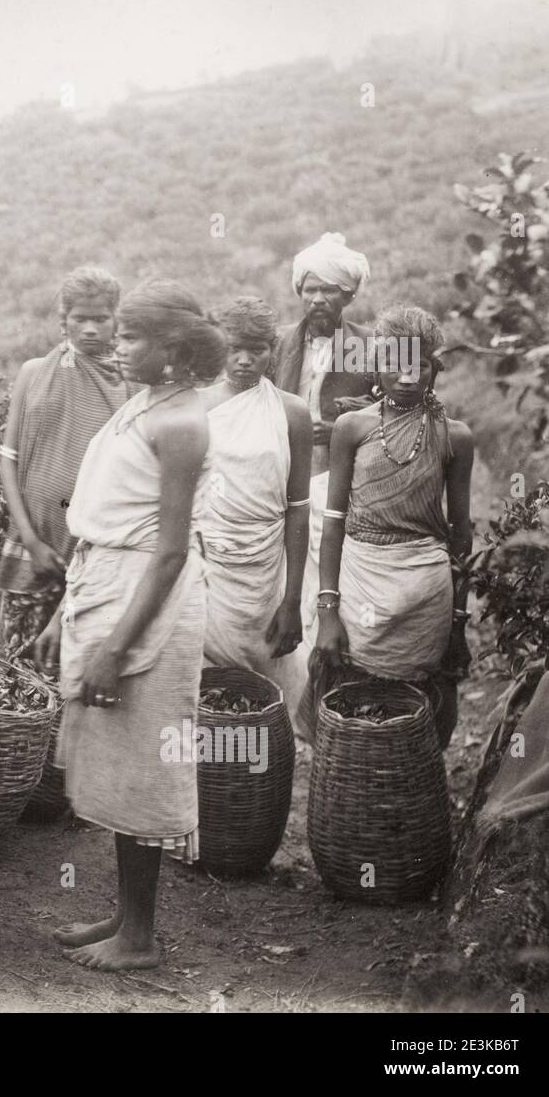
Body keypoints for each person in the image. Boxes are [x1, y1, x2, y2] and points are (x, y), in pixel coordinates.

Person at [35, 280, 224, 970]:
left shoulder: (182, 423)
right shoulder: (145, 404)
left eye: (131, 337)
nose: (117, 346)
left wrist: (116, 647)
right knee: (116, 761)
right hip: (109, 583)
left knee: (143, 764)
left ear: (173, 350)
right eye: (117, 335)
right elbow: (110, 520)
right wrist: (67, 609)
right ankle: (123, 913)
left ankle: (140, 936)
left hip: (150, 600)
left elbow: (170, 550)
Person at [313, 307, 474, 747]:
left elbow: (461, 533)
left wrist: (459, 622)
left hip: (426, 590)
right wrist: (327, 611)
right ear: (377, 368)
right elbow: (333, 523)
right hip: (361, 581)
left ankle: (411, 796)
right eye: (395, 365)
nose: (406, 378)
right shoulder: (351, 428)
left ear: (433, 370)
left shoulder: (454, 436)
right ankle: (350, 794)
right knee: (350, 700)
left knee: (417, 712)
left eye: (418, 366)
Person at [0, 267, 131, 663]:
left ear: (116, 320)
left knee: (74, 668)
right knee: (19, 672)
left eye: (100, 319)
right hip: (31, 546)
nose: (89, 328)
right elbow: (9, 463)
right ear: (63, 321)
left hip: (96, 551)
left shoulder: (130, 384)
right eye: (79, 318)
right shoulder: (35, 373)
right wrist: (32, 541)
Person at [199, 297, 313, 732]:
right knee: (210, 695)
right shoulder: (199, 407)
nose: (244, 360)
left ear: (273, 349)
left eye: (257, 349)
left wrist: (292, 600)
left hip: (266, 573)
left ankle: (265, 779)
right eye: (233, 348)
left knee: (270, 701)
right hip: (210, 570)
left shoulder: (291, 412)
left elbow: (297, 509)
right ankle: (213, 788)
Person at [273, 233, 374, 648]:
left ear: (347, 295)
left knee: (333, 576)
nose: (317, 298)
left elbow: (399, 407)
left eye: (328, 290)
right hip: (283, 477)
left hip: (342, 483)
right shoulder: (278, 342)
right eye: (310, 289)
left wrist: (340, 433)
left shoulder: (373, 344)